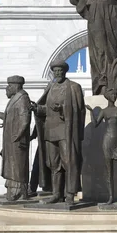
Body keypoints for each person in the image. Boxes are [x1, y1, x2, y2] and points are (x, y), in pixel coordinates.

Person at [31, 61, 85, 204]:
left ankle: (69, 194)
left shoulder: (74, 87)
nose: (58, 73)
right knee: (53, 164)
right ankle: (56, 194)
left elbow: (80, 111)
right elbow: (45, 109)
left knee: (69, 162)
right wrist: (37, 109)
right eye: (55, 71)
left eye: (60, 70)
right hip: (50, 131)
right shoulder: (50, 87)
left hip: (66, 131)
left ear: (65, 71)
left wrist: (62, 108)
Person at [0, 75, 31, 201]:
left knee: (17, 165)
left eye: (10, 86)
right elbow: (11, 118)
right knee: (11, 164)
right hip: (11, 140)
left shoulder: (22, 99)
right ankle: (12, 189)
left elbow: (25, 119)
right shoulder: (14, 99)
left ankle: (18, 192)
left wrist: (18, 135)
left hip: (17, 141)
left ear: (16, 86)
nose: (7, 88)